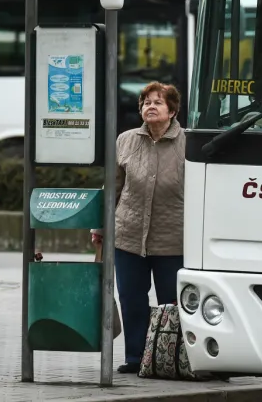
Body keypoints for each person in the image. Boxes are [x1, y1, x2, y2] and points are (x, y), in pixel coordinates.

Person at [91, 81, 186, 375]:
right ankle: (135, 357)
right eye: (146, 102)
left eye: (158, 102)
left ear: (172, 110)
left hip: (174, 239)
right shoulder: (126, 140)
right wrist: (100, 226)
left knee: (172, 303)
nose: (151, 107)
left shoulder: (188, 143)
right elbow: (113, 188)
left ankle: (173, 358)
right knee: (132, 300)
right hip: (128, 235)